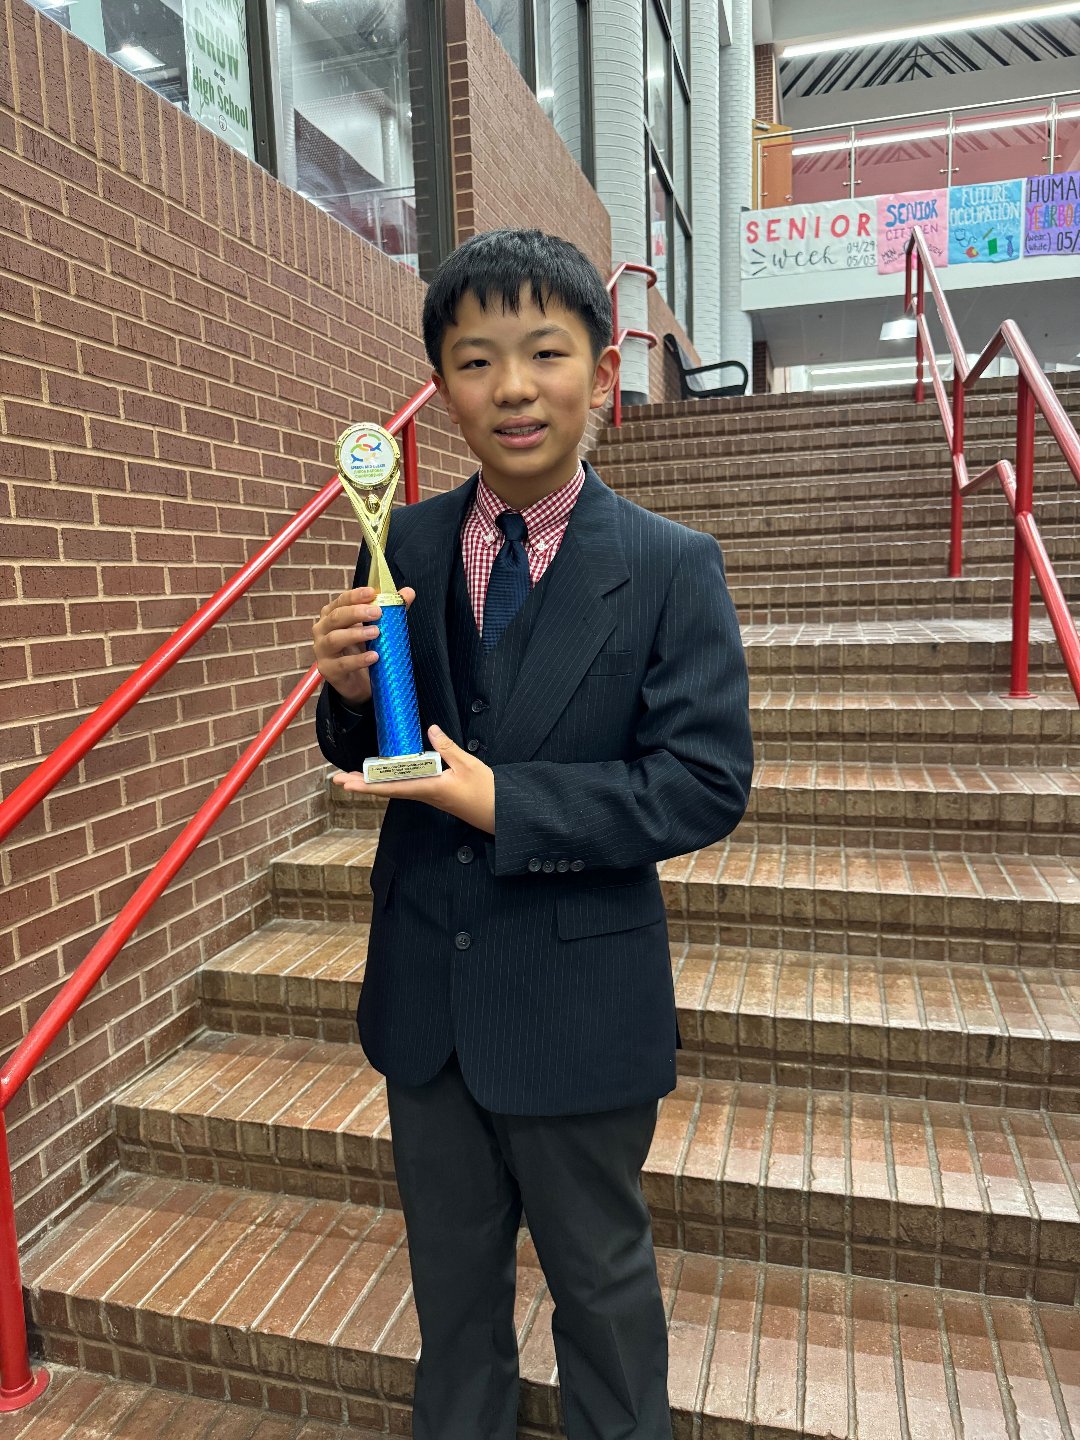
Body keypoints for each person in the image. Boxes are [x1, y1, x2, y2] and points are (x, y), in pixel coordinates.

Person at [312, 228, 753, 1440]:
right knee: (452, 1311)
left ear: (602, 374)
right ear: (442, 387)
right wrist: (347, 697)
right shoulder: (398, 540)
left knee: (603, 1301)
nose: (513, 387)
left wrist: (506, 803)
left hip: (577, 1007)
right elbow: (366, 755)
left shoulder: (671, 569)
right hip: (427, 1007)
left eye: (545, 352)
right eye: (475, 360)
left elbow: (705, 784)